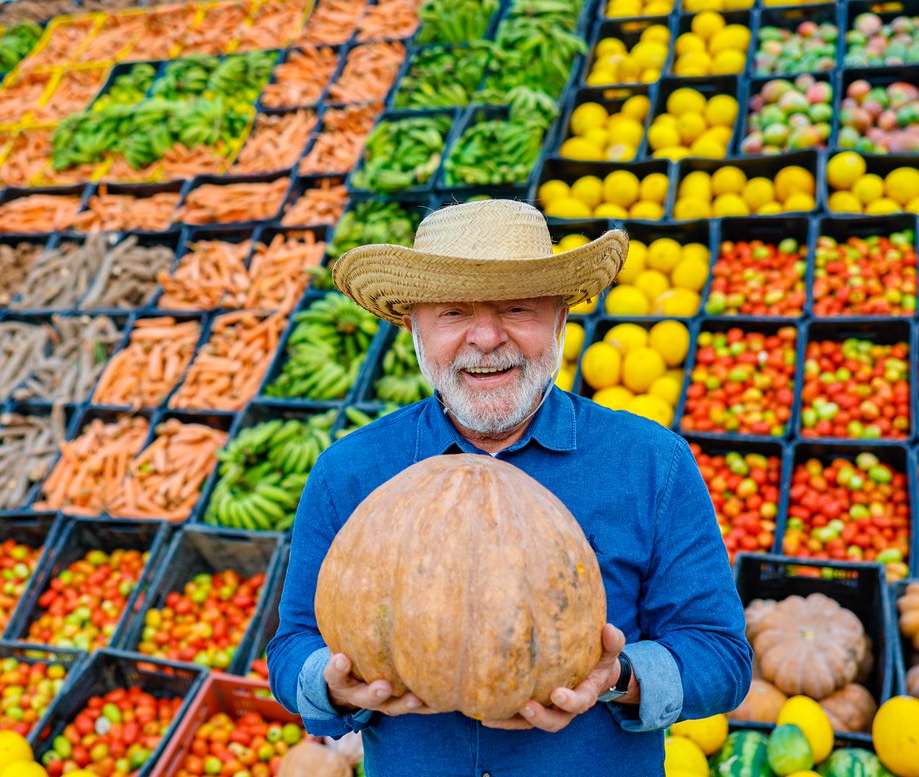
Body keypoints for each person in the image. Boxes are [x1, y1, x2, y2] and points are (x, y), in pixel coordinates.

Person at [265, 199, 753, 777]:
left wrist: (618, 678)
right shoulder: (348, 472)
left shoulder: (652, 462)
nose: (487, 337)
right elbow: (292, 644)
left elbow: (721, 656)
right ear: (413, 326)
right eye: (453, 312)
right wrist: (333, 684)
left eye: (517, 307)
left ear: (560, 318)